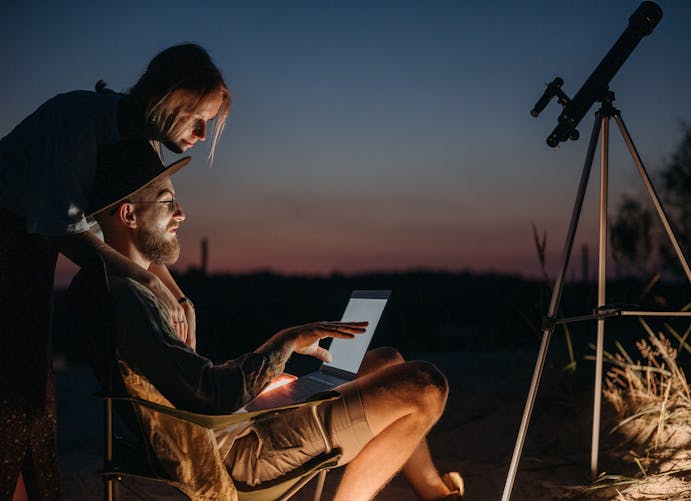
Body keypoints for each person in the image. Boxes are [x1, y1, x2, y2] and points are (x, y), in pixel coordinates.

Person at [67, 169, 465, 500]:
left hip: (235, 422)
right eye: (169, 203)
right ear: (129, 215)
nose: (182, 214)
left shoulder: (127, 288)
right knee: (424, 385)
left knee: (387, 360)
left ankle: (434, 493)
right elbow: (209, 392)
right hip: (242, 451)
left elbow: (187, 382)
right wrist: (285, 343)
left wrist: (264, 381)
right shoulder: (131, 300)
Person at [0, 43, 230, 500]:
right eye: (196, 119)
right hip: (8, 238)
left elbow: (129, 236)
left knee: (30, 384)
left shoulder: (135, 139)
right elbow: (61, 229)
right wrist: (146, 281)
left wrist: (178, 295)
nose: (203, 135)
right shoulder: (80, 121)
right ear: (168, 101)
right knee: (13, 387)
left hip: (28, 245)